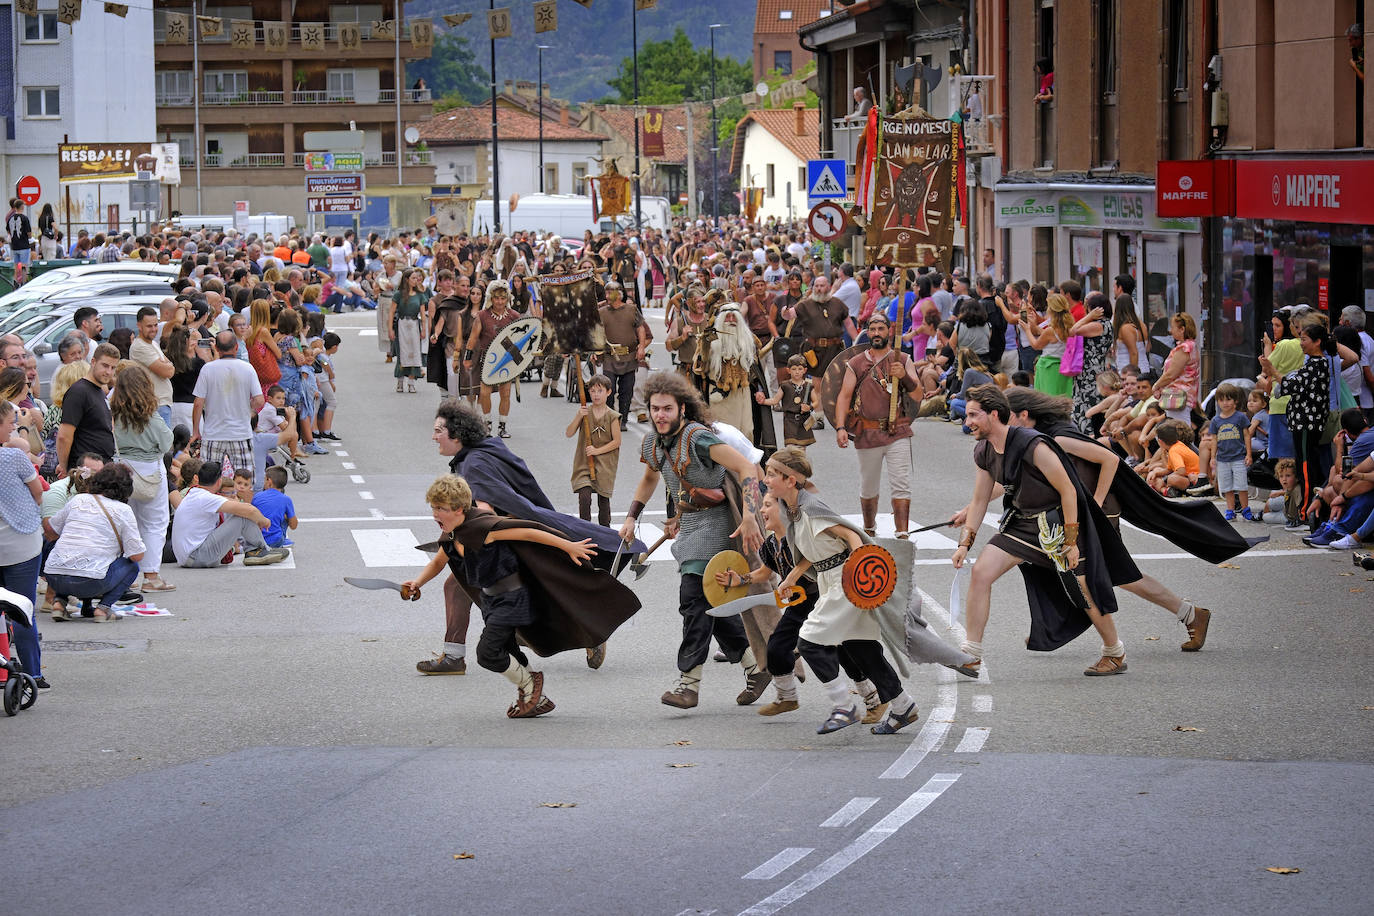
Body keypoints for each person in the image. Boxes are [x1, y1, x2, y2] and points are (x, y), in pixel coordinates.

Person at [423, 400, 637, 675]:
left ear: (457, 434)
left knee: (470, 589)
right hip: (507, 537)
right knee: (470, 589)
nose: (434, 436)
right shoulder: (488, 448)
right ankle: (465, 657)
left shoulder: (474, 465)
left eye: (439, 430)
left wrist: (467, 530)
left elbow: (486, 508)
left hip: (506, 544)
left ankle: (587, 636)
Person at [762, 448, 968, 735]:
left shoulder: (810, 507)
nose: (766, 479)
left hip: (843, 581)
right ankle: (902, 706)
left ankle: (843, 706)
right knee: (860, 648)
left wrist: (858, 569)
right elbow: (815, 547)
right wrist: (793, 576)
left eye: (772, 474)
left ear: (791, 480)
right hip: (829, 579)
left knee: (808, 641)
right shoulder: (793, 510)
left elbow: (850, 535)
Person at [402, 474, 638, 718]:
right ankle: (537, 698)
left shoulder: (483, 527)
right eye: (433, 508)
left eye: (440, 508)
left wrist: (568, 546)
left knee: (487, 654)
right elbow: (440, 562)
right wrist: (417, 582)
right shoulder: (451, 534)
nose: (435, 514)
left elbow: (529, 532)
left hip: (511, 598)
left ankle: (530, 684)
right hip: (491, 602)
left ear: (459, 508)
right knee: (509, 650)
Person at [954, 384, 1138, 676]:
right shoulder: (984, 451)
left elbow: (1068, 490)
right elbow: (979, 500)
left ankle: (1114, 652)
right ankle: (971, 653)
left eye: (974, 415)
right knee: (981, 572)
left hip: (1059, 522)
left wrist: (1073, 540)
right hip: (1023, 524)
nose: (968, 422)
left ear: (994, 414)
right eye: (967, 416)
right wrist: (965, 543)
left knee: (1081, 588)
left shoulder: (1032, 444)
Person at [619, 371, 772, 710]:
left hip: (720, 524)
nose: (660, 415)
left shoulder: (698, 437)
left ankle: (688, 684)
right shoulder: (653, 442)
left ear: (681, 409)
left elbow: (747, 468)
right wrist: (631, 517)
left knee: (693, 597)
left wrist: (749, 514)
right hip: (690, 523)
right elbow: (649, 478)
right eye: (655, 408)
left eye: (667, 409)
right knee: (711, 602)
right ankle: (754, 668)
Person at [834, 314, 923, 537]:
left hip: (897, 431)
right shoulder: (856, 363)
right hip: (868, 432)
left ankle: (902, 533)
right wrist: (840, 427)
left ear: (889, 331)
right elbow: (844, 396)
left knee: (901, 483)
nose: (876, 333)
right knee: (868, 486)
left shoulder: (902, 359)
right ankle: (869, 530)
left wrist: (904, 377)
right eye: (872, 329)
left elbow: (918, 393)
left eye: (880, 328)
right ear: (867, 332)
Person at [43, 463, 144, 624]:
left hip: (54, 577)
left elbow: (51, 530)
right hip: (91, 582)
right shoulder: (123, 510)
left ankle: (59, 604)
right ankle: (102, 609)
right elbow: (136, 556)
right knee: (130, 567)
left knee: (74, 556)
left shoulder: (78, 499)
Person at [110, 365, 176, 594]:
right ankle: (151, 575)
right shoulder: (151, 415)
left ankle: (127, 576)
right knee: (155, 522)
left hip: (121, 468)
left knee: (127, 524)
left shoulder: (112, 413)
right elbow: (167, 443)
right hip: (149, 470)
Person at [1260, 321, 1331, 522]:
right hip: (1303, 422)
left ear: (1317, 342)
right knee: (1304, 463)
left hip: (1307, 423)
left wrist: (1271, 369)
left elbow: (1290, 384)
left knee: (1306, 466)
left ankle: (1306, 510)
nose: (1301, 343)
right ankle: (1305, 508)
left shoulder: (1317, 364)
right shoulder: (1312, 363)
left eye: (1305, 339)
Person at [170, 460, 288, 567]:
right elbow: (249, 510)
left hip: (189, 557)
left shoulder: (195, 494)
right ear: (219, 481)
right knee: (242, 516)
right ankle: (258, 550)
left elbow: (233, 504)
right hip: (197, 556)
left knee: (238, 511)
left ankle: (256, 550)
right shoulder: (205, 498)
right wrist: (264, 521)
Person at [0, 401, 44, 683]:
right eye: (10, 422)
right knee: (23, 609)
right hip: (21, 543)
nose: (14, 427)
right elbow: (38, 492)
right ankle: (33, 673)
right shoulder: (14, 457)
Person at [193, 330, 266, 479]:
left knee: (209, 479)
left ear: (217, 349)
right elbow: (259, 400)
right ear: (236, 348)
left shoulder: (208, 369)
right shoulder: (247, 368)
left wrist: (196, 431)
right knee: (244, 479)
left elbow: (198, 403)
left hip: (213, 434)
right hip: (240, 434)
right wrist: (247, 406)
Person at [464, 279, 519, 438]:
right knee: (485, 393)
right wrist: (467, 358)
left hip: (507, 359)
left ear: (507, 299)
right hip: (487, 359)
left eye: (503, 298)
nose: (500, 302)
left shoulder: (514, 316)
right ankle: (487, 424)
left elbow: (520, 339)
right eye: (497, 298)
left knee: (506, 393)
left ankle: (502, 426)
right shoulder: (482, 315)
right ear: (491, 298)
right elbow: (473, 338)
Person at [56, 343, 120, 475]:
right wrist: (64, 467)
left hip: (102, 467)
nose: (108, 371)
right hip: (85, 470)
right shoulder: (79, 391)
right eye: (105, 365)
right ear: (93, 361)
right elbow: (64, 436)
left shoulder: (99, 391)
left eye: (113, 368)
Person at [566, 374, 620, 528]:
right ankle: (585, 529)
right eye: (593, 391)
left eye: (600, 391)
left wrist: (597, 451)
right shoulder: (585, 413)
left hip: (604, 463)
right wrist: (578, 416)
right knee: (584, 497)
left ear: (608, 392)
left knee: (603, 500)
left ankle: (605, 531)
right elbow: (569, 433)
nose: (596, 395)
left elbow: (616, 442)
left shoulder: (613, 416)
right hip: (584, 462)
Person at [598, 281, 649, 429]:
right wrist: (596, 350)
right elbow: (596, 332)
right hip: (610, 357)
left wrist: (641, 347)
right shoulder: (602, 312)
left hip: (629, 356)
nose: (607, 295)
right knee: (609, 389)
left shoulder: (632, 310)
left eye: (610, 292)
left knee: (626, 390)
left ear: (619, 293)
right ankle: (610, 418)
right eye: (606, 292)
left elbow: (640, 329)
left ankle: (623, 419)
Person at [782, 275, 854, 376]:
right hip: (814, 350)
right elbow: (789, 315)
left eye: (822, 286)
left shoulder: (837, 303)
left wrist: (856, 340)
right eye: (816, 286)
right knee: (817, 383)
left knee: (836, 380)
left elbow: (849, 324)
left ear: (828, 287)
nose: (819, 288)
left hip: (835, 349)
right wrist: (784, 312)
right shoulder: (805, 305)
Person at [1208, 383, 1253, 520]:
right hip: (1222, 459)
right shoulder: (1215, 421)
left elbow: (1247, 435)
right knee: (1227, 487)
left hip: (1238, 457)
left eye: (1228, 399)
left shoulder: (1240, 417)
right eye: (1221, 400)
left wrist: (1249, 454)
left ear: (1235, 401)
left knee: (1241, 486)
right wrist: (1212, 457)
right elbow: (1214, 440)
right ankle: (1230, 510)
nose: (1225, 403)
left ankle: (1245, 509)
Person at [758, 354, 821, 450]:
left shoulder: (808, 386)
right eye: (794, 369)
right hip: (789, 421)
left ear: (805, 370)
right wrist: (763, 401)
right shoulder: (785, 386)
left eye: (800, 369)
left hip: (804, 421)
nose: (797, 372)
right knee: (791, 448)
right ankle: (792, 464)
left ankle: (800, 465)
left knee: (802, 449)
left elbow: (816, 401)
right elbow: (775, 400)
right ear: (788, 370)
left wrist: (810, 407)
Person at [130, 306, 176, 426]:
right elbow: (168, 372)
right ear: (139, 326)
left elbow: (171, 368)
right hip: (154, 405)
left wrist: (168, 366)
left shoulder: (153, 344)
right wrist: (168, 365)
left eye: (155, 325)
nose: (154, 329)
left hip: (161, 404)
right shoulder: (140, 346)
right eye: (149, 326)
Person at [1152, 312, 1201, 424]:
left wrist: (1156, 386)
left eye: (1173, 327)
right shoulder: (1189, 346)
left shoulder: (1185, 348)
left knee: (1179, 430)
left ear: (1182, 329)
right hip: (1178, 395)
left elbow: (1171, 374)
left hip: (1178, 396)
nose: (1170, 331)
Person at [1025, 293, 1074, 398]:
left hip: (1049, 368)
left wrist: (1027, 330)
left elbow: (1036, 345)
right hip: (1064, 367)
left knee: (1047, 401)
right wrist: (1035, 326)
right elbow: (1053, 338)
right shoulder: (1069, 327)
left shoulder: (1051, 330)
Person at [390, 267, 427, 393]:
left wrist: (424, 330)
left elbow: (422, 314)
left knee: (415, 353)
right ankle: (400, 381)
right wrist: (390, 329)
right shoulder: (398, 294)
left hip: (414, 325)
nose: (416, 280)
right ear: (406, 279)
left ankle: (411, 382)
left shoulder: (420, 295)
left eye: (417, 278)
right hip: (402, 325)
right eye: (413, 278)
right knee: (402, 353)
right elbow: (391, 313)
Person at [252, 466, 296, 548]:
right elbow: (294, 525)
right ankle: (282, 540)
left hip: (256, 540)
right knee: (285, 515)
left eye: (265, 479)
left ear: (269, 481)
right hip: (276, 541)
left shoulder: (257, 496)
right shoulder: (286, 499)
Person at [5, 198, 33, 285]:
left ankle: (16, 282)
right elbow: (29, 233)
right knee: (24, 265)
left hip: (14, 246)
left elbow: (8, 231)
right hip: (24, 245)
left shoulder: (10, 218)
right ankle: (24, 283)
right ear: (22, 207)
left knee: (16, 266)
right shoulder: (24, 218)